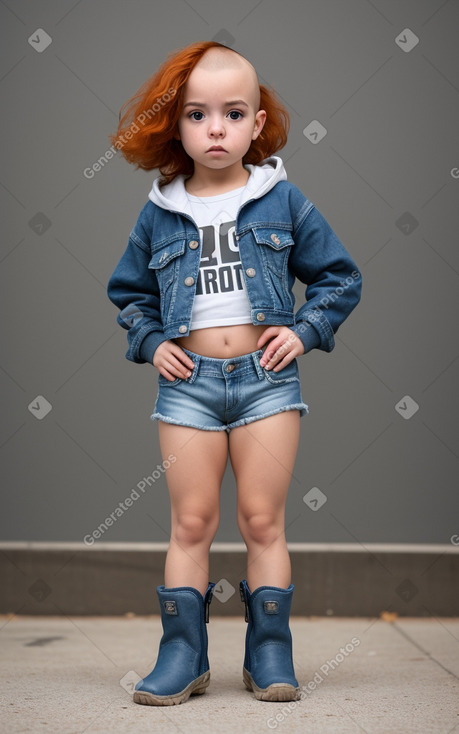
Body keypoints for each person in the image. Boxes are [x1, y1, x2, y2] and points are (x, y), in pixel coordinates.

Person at [107, 40, 362, 706]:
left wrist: (303, 333)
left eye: (232, 112)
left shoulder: (281, 199)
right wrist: (151, 340)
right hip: (187, 386)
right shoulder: (160, 208)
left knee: (261, 521)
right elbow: (129, 293)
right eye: (196, 114)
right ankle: (181, 654)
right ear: (175, 124)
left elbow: (339, 279)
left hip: (266, 384)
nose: (214, 127)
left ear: (258, 123)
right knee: (190, 523)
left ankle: (269, 651)